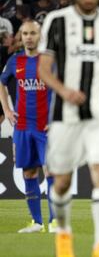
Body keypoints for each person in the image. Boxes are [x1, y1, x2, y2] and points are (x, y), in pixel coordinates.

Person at [37, 0, 99, 257]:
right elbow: (43, 69)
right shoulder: (57, 21)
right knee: (61, 182)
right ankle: (63, 233)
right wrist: (64, 92)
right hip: (65, 114)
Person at [0, 20, 56, 233]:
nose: (29, 37)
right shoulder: (15, 61)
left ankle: (54, 222)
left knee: (51, 171)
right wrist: (6, 110)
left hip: (45, 127)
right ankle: (37, 222)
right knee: (29, 173)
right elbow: (2, 83)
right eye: (25, 33)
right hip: (22, 126)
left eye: (33, 33)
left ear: (40, 36)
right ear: (20, 37)